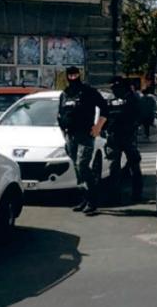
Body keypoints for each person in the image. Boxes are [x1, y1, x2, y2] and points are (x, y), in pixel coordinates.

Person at [58, 66, 108, 215]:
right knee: (77, 168)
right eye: (70, 75)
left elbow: (104, 108)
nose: (73, 78)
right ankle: (84, 199)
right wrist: (63, 132)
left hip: (85, 134)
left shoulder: (88, 91)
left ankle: (93, 201)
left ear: (79, 75)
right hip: (70, 135)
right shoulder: (65, 94)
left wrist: (98, 126)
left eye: (75, 75)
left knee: (83, 165)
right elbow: (60, 115)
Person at [105, 77, 144, 204]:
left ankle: (137, 194)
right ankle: (114, 196)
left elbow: (139, 115)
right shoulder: (111, 99)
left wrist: (133, 126)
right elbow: (105, 115)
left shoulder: (132, 98)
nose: (113, 90)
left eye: (115, 87)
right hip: (114, 136)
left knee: (133, 165)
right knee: (114, 167)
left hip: (128, 135)